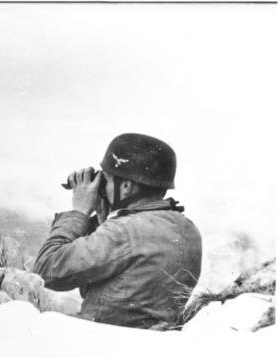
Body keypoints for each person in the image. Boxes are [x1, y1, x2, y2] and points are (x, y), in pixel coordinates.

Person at [33, 133, 202, 329]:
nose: (101, 187)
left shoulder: (122, 232)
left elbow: (46, 270)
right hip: (152, 340)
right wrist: (107, 215)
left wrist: (79, 212)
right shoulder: (188, 229)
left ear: (127, 186)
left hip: (103, 341)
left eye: (106, 180)